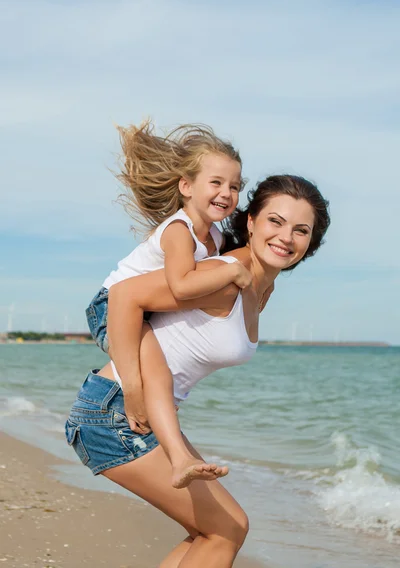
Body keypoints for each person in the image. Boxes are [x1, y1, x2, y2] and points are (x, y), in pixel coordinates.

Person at [66, 174, 330, 567]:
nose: (286, 237)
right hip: (116, 414)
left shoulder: (261, 286)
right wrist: (135, 389)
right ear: (252, 222)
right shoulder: (224, 277)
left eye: (300, 230)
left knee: (213, 532)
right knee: (227, 528)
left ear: (311, 242)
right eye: (275, 221)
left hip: (141, 416)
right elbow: (124, 295)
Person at [85, 119, 253, 488]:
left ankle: (176, 455)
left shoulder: (215, 236)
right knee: (153, 374)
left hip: (143, 308)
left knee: (159, 372)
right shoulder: (179, 231)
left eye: (235, 186)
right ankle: (132, 400)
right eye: (216, 183)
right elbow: (182, 283)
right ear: (186, 186)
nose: (226, 193)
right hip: (109, 306)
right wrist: (232, 273)